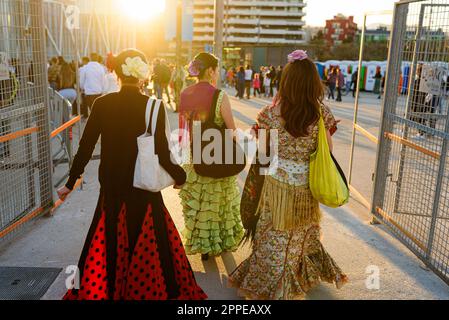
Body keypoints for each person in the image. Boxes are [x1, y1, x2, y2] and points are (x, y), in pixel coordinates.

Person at [57, 49, 207, 301]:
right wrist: (180, 177)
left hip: (112, 191)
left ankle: (110, 291)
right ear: (141, 76)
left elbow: (85, 147)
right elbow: (161, 151)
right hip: (144, 190)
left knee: (110, 246)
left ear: (115, 72)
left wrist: (70, 183)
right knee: (153, 248)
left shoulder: (102, 104)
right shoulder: (153, 106)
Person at [228, 49, 347, 300]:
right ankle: (293, 279)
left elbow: (263, 154)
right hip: (307, 189)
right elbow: (327, 150)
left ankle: (269, 282)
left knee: (272, 234)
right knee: (299, 236)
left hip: (276, 187)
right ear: (312, 82)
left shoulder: (269, 114)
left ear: (287, 81)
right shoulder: (321, 113)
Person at [178, 53, 244, 261]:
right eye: (216, 69)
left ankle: (203, 246)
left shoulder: (185, 93)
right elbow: (231, 129)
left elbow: (185, 129)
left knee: (200, 202)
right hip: (218, 155)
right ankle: (219, 242)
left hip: (195, 154)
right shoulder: (220, 95)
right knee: (219, 202)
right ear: (211, 70)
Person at [80, 53, 106, 118]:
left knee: (92, 110)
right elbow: (103, 80)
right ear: (97, 58)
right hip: (98, 92)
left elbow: (82, 80)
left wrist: (82, 88)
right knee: (97, 111)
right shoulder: (101, 68)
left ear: (90, 58)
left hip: (89, 93)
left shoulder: (85, 67)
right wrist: (103, 90)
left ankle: (95, 124)